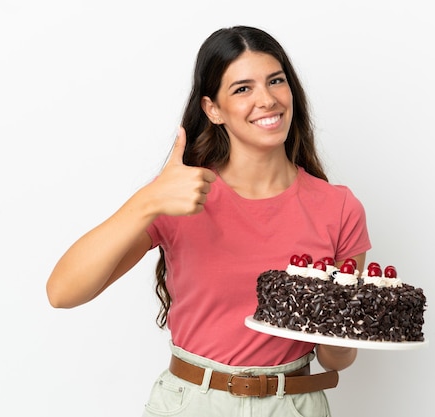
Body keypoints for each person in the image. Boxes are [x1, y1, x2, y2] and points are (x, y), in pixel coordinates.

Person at [46, 25, 371, 416]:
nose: (266, 100)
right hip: (192, 404)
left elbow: (338, 359)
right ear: (212, 109)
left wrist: (337, 328)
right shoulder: (181, 194)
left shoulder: (338, 207)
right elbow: (62, 292)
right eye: (242, 89)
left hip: (294, 405)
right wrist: (147, 201)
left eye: (275, 81)